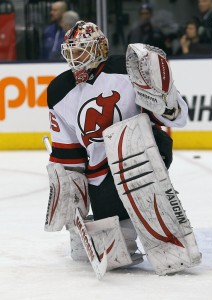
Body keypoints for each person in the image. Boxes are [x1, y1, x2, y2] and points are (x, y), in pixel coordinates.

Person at [44, 21, 200, 276]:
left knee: (127, 146)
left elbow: (176, 118)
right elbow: (68, 150)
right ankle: (117, 229)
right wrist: (70, 190)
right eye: (71, 50)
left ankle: (167, 235)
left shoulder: (128, 69)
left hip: (142, 153)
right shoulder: (58, 90)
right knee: (114, 256)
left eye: (82, 49)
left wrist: (165, 100)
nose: (75, 56)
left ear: (100, 47)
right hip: (100, 174)